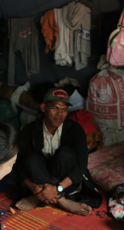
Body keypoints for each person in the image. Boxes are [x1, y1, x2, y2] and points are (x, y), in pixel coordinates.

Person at [14, 87, 102, 216]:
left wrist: (57, 188)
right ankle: (61, 200)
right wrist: (34, 188)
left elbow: (80, 166)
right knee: (31, 158)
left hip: (63, 181)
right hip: (38, 178)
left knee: (66, 153)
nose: (60, 114)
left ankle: (42, 197)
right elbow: (19, 164)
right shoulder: (30, 130)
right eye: (55, 108)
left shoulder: (75, 129)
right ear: (44, 108)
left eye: (64, 109)